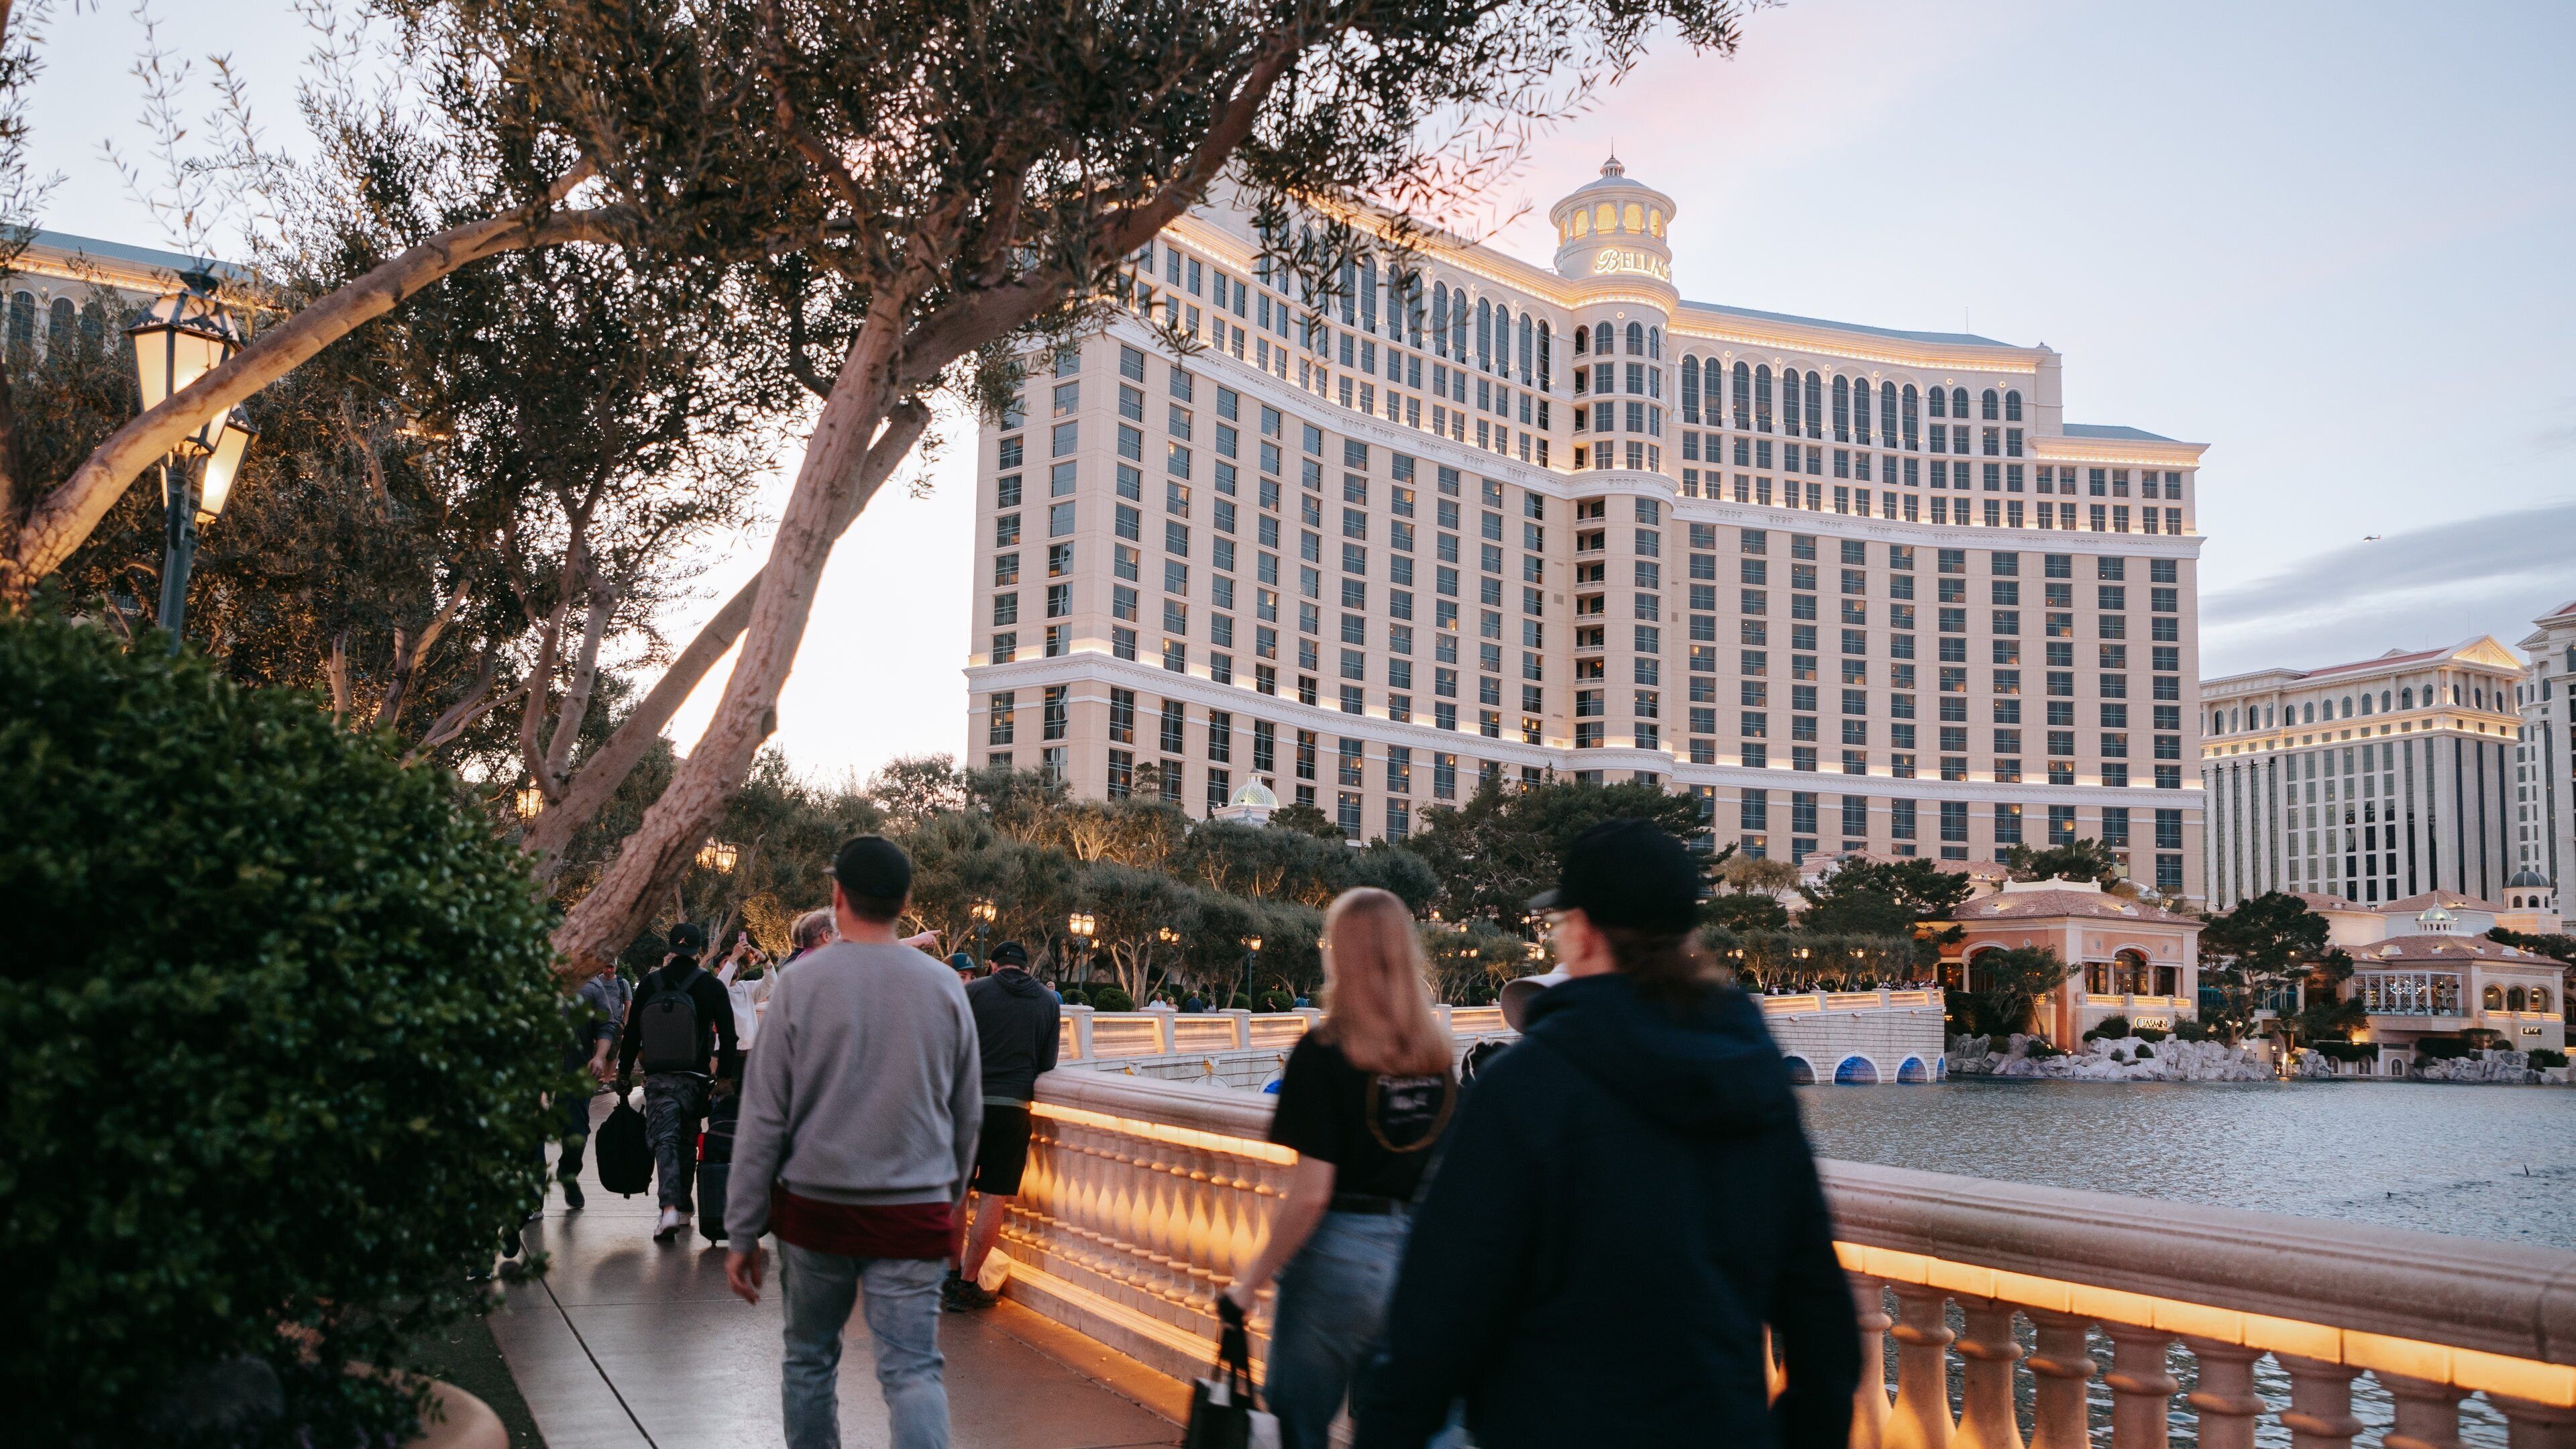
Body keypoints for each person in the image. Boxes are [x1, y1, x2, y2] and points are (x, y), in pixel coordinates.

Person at [1350, 820, 1860, 1449]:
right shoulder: (1754, 1081)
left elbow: (1438, 1314)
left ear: (1585, 934)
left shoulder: (1524, 1088)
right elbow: (1821, 1314)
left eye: (1560, 924)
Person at [725, 836, 981, 1449]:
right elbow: (967, 1114)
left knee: (809, 1361)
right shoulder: (945, 987)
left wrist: (742, 1231)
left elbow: (763, 1117)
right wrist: (947, 1202)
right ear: (905, 901)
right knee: (913, 1370)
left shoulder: (800, 985)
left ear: (837, 896)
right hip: (912, 1210)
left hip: (817, 1210)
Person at [1222, 887, 1457, 1449]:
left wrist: (1248, 1284)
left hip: (1336, 1259)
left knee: (1298, 1427)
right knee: (1406, 1427)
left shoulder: (1325, 1053)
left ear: (1340, 953)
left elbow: (1310, 1196)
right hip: (1416, 1260)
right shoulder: (1437, 1059)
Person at [945, 939, 1061, 1311]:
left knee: (958, 1193)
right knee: (994, 1198)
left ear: (994, 966)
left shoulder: (974, 992)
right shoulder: (1047, 1001)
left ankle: (948, 1274)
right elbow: (1048, 1060)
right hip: (1012, 1108)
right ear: (1026, 968)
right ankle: (967, 1285)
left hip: (966, 1106)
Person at [615, 922, 741, 1242]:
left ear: (672, 948)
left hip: (659, 1079)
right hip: (696, 1080)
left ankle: (670, 1207)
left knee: (665, 1140)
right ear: (699, 950)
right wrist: (724, 1078)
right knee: (687, 1138)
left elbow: (632, 1034)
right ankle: (683, 1208)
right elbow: (728, 1036)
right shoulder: (712, 986)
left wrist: (624, 1072)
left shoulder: (650, 984)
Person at [555, 960, 635, 1210]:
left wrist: (600, 1055)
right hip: (535, 1073)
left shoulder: (591, 986)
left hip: (576, 1071)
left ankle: (568, 1173)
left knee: (577, 1133)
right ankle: (533, 1199)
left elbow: (606, 1025)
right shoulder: (531, 981)